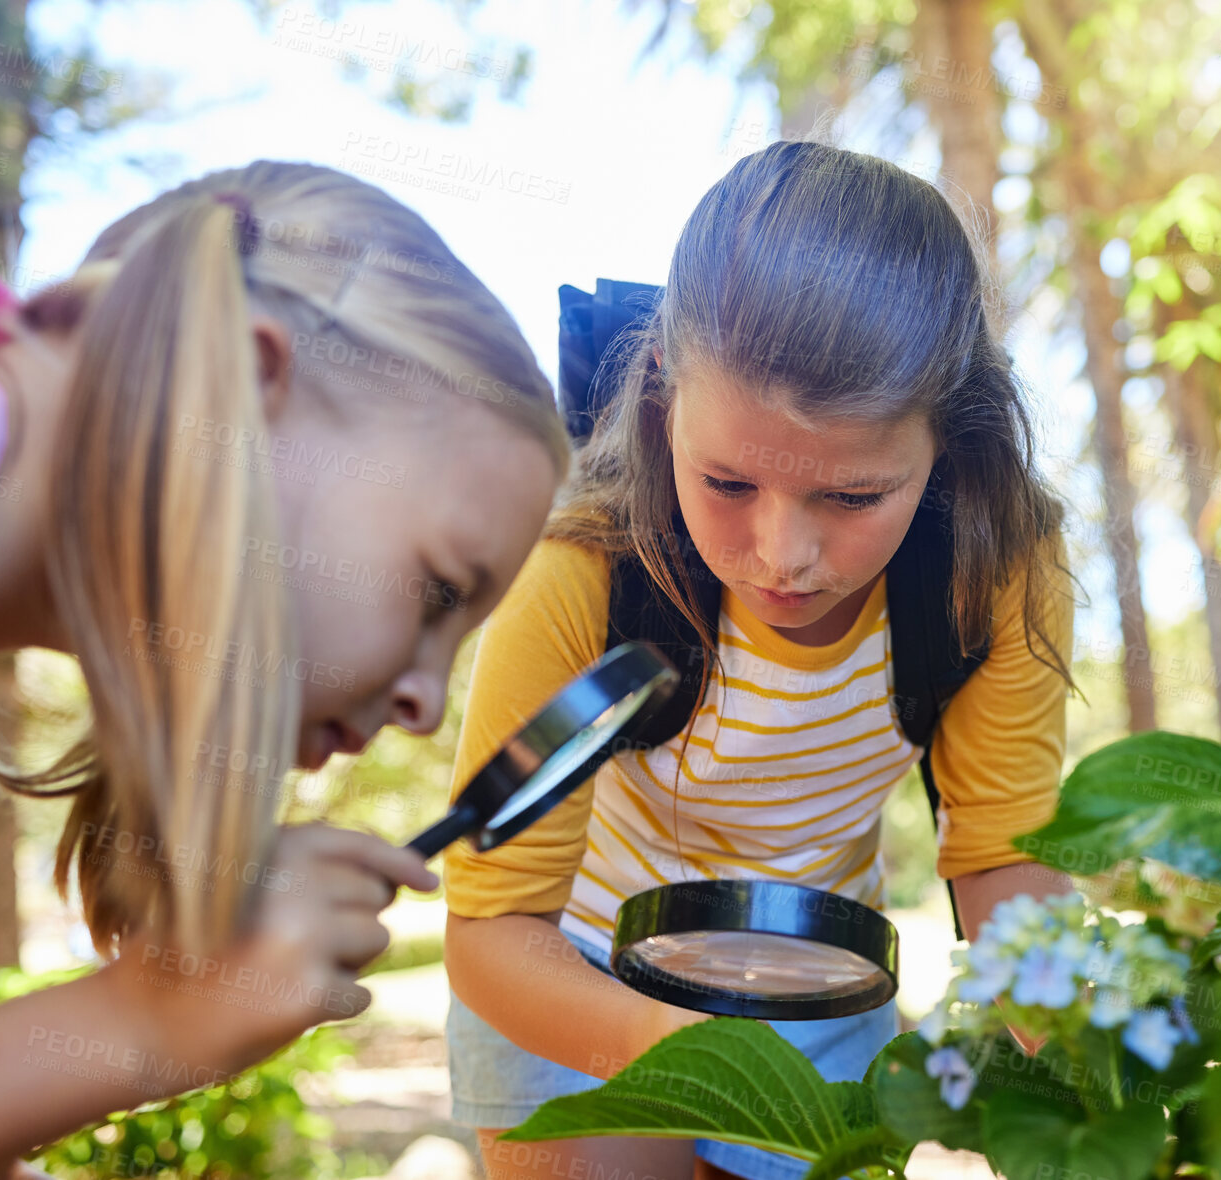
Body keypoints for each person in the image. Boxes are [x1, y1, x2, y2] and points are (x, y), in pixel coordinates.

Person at [0, 8, 571, 1175]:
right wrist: (140, 1021)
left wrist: (147, 1021)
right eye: (442, 591)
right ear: (245, 395)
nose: (424, 705)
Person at [443, 141, 1081, 1180]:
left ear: (948, 445)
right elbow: (493, 928)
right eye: (728, 482)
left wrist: (1072, 1092)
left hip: (818, 984)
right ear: (662, 398)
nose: (783, 555)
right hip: (569, 974)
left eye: (853, 496)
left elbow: (1004, 856)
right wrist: (701, 1066)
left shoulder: (992, 568)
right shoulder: (582, 577)